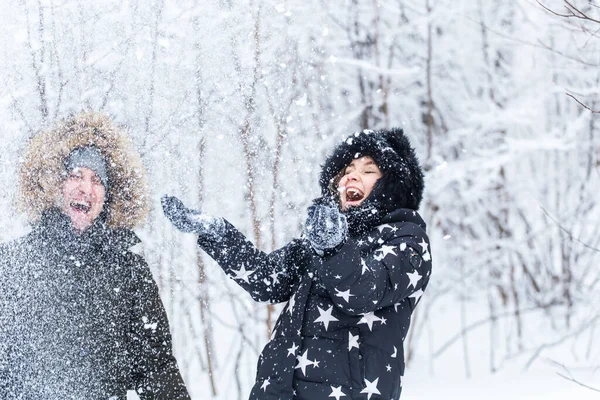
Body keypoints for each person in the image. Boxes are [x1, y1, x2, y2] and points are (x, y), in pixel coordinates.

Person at [162, 128, 432, 400]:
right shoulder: (323, 237)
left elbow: (362, 292)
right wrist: (217, 233)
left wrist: (333, 246)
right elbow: (267, 280)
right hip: (279, 390)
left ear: (393, 184)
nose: (352, 174)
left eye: (368, 170)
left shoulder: (407, 239)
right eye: (348, 168)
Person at [0, 112, 191, 399]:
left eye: (97, 180)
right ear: (55, 185)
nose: (85, 188)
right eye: (75, 175)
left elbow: (157, 369)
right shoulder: (14, 263)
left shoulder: (130, 272)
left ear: (110, 195)